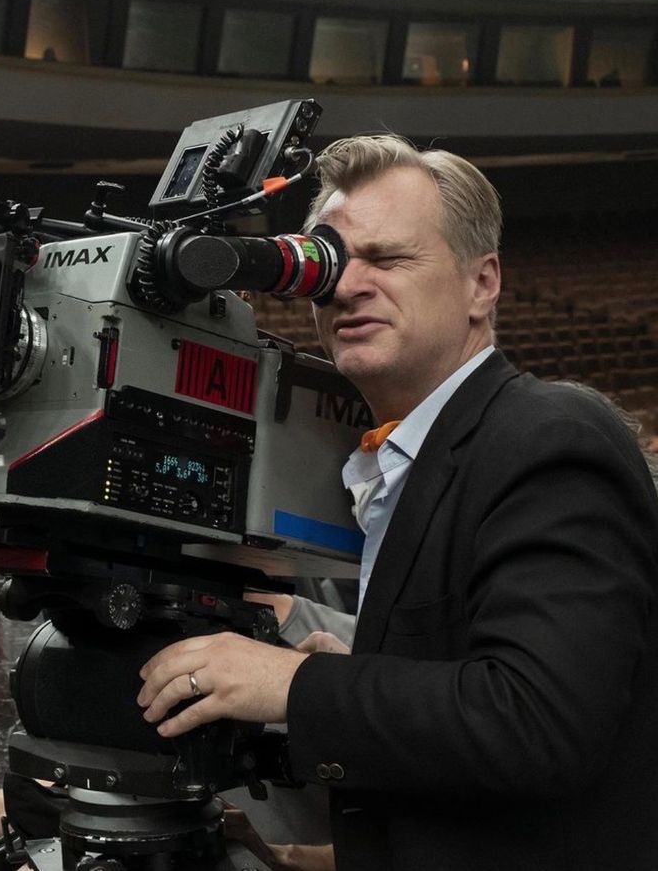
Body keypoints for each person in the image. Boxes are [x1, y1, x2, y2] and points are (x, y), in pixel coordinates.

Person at [136, 134, 658, 871]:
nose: (348, 286)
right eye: (334, 264)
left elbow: (538, 723)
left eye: (388, 259)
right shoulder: (412, 454)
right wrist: (295, 854)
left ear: (482, 283)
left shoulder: (549, 435)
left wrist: (296, 685)